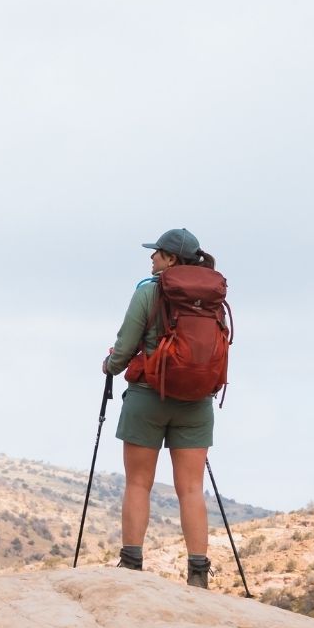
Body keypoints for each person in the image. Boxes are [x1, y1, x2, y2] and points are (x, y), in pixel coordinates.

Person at [102, 226, 218, 589]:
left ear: (170, 259)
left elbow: (125, 344)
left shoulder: (148, 292)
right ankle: (198, 573)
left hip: (148, 396)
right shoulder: (212, 297)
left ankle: (132, 563)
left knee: (138, 483)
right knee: (191, 488)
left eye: (157, 252)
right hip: (196, 401)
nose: (151, 257)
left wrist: (111, 366)